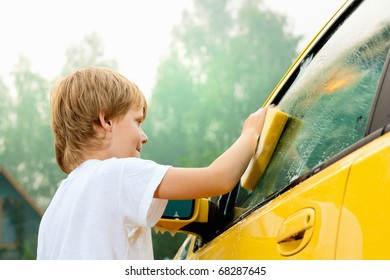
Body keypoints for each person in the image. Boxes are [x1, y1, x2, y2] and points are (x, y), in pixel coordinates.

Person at [37, 67, 269, 260]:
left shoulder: (53, 212)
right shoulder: (119, 174)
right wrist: (250, 134)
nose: (144, 137)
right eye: (137, 121)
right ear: (106, 121)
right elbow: (219, 178)